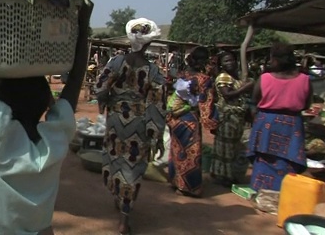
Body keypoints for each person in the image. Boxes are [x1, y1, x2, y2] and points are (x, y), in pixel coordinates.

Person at [0, 0, 92, 235]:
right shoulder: (55, 139)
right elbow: (75, 79)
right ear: (47, 104)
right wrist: (83, 24)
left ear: (0, 102)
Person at [97, 18, 167, 235]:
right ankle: (124, 219)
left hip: (116, 121)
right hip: (139, 123)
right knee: (133, 168)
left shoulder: (116, 63)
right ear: (147, 44)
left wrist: (106, 103)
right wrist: (156, 135)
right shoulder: (153, 71)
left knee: (115, 161)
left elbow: (100, 88)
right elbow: (157, 104)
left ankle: (119, 199)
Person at [247, 43, 312, 191]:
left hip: (267, 123)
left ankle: (261, 191)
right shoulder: (305, 79)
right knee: (288, 160)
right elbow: (307, 105)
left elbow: (255, 100)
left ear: (274, 59)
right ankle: (285, 191)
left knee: (264, 159)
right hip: (292, 125)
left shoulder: (264, 79)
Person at [166, 46, 217, 198]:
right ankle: (189, 187)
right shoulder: (204, 80)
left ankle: (176, 181)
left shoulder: (183, 75)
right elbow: (205, 103)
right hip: (190, 121)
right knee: (191, 154)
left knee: (176, 150)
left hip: (175, 119)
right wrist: (212, 124)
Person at [210, 51, 254, 187]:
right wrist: (246, 87)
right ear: (221, 64)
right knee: (226, 147)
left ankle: (228, 174)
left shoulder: (236, 77)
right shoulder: (223, 77)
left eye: (232, 60)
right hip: (228, 117)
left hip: (237, 117)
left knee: (233, 147)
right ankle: (224, 176)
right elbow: (227, 95)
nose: (230, 63)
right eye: (226, 61)